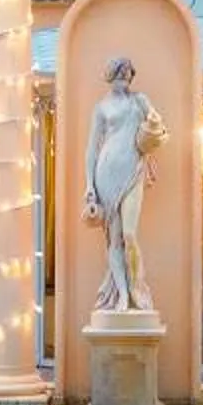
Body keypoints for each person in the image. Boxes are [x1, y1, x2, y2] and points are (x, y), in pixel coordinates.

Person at [80, 56, 166, 315]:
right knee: (113, 240)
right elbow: (91, 149)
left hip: (132, 171)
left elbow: (158, 126)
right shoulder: (101, 108)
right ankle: (122, 295)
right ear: (111, 76)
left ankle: (137, 289)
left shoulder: (139, 100)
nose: (125, 79)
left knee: (129, 235)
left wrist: (155, 124)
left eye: (128, 75)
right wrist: (89, 185)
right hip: (105, 173)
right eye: (121, 74)